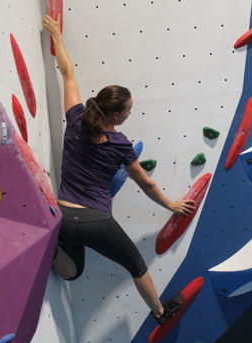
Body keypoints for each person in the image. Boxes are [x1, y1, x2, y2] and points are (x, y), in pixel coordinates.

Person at [43, 14, 195, 324]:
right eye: (128, 109)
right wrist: (171, 204)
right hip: (93, 219)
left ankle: (50, 247)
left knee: (74, 271)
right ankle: (161, 313)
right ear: (115, 114)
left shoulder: (75, 119)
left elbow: (67, 72)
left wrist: (57, 36)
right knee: (136, 265)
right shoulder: (119, 143)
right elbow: (146, 184)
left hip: (62, 215)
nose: (130, 113)